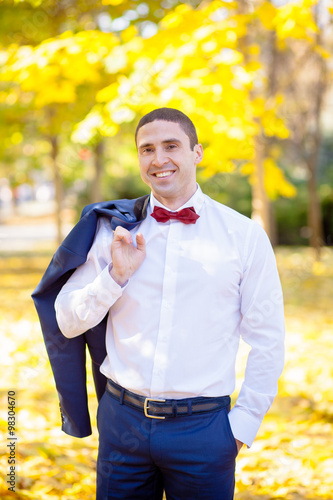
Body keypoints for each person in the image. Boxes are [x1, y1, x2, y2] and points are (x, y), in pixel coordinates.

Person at [53, 107, 285, 500]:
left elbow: (268, 339)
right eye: (147, 149)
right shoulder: (112, 228)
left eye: (171, 146)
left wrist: (242, 426)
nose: (158, 159)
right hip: (122, 424)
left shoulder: (243, 236)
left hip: (204, 432)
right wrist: (114, 278)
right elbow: (66, 321)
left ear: (197, 153)